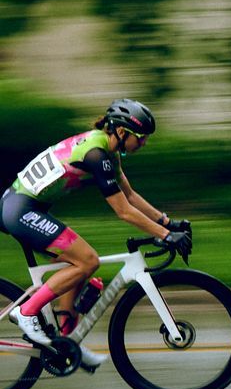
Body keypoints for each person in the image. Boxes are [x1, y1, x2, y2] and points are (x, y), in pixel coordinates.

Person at [3, 99, 182, 370]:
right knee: (88, 260)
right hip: (21, 210)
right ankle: (26, 312)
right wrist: (166, 236)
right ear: (122, 133)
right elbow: (123, 211)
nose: (143, 143)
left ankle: (65, 341)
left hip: (24, 207)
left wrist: (167, 223)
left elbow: (130, 196)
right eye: (141, 138)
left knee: (78, 268)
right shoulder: (96, 155)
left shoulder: (106, 150)